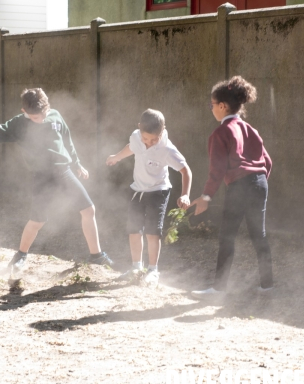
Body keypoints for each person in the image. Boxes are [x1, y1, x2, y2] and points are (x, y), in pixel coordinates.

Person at [0, 88, 113, 279]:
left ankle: (96, 256)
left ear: (47, 108)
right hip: (42, 177)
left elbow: (67, 139)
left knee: (89, 210)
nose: (40, 120)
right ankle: (20, 255)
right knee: (37, 220)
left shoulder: (56, 116)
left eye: (42, 115)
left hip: (65, 172)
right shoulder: (19, 123)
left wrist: (77, 164)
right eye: (34, 118)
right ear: (24, 111)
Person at [190, 76, 274, 300]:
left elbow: (217, 170)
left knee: (227, 237)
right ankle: (267, 286)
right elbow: (268, 162)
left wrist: (206, 196)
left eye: (212, 105)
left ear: (222, 106)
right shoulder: (250, 129)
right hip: (259, 183)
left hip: (239, 185)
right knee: (260, 235)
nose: (211, 109)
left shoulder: (220, 133)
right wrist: (259, 181)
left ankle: (218, 289)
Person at [106, 109, 192, 286]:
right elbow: (132, 147)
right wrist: (117, 157)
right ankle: (136, 268)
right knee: (134, 230)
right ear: (139, 129)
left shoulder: (167, 149)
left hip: (158, 192)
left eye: (154, 139)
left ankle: (153, 270)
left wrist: (185, 195)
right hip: (137, 190)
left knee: (153, 232)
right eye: (146, 139)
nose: (150, 143)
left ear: (162, 131)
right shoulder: (137, 137)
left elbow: (186, 171)